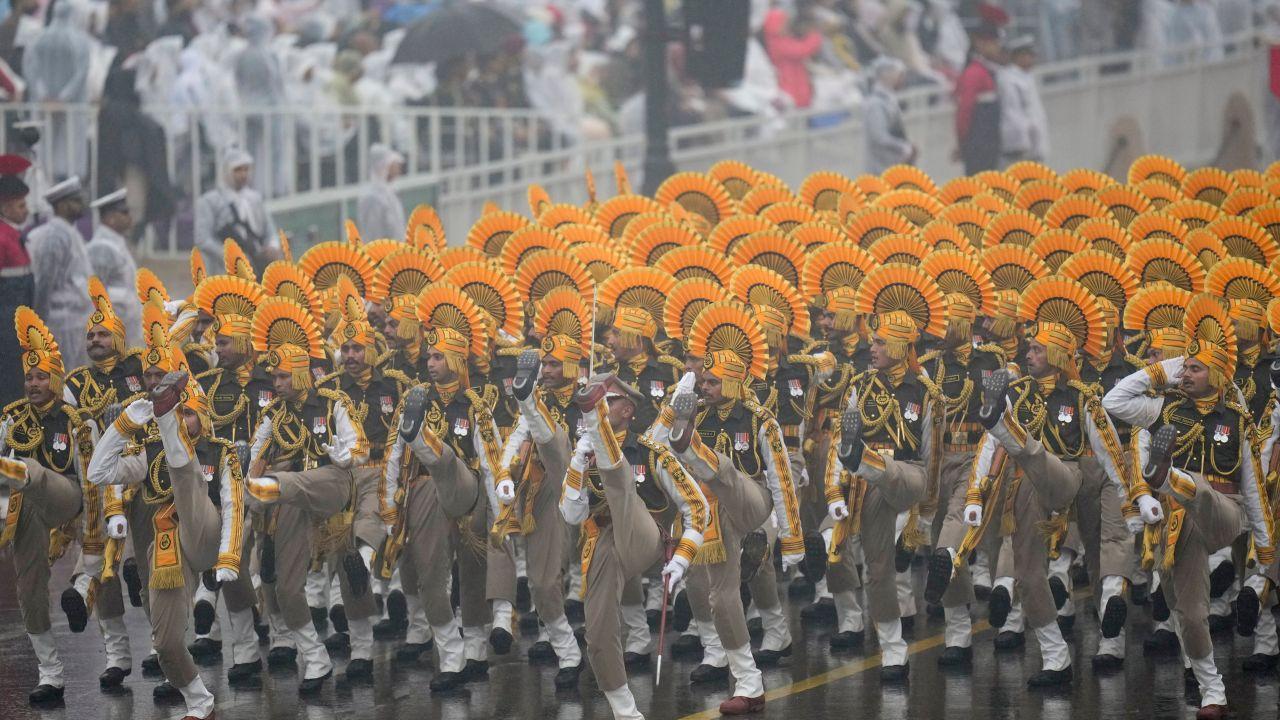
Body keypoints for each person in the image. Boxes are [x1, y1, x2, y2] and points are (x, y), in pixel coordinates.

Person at [1104, 295, 1272, 720]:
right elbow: (1114, 401)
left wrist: (1265, 548)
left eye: (1195, 368)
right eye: (1185, 368)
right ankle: (1212, 691)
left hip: (1224, 512)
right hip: (1179, 525)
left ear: (1215, 374)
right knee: (1190, 612)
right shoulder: (1166, 409)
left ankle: (1164, 476)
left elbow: (1252, 489)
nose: (1187, 374)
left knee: (1196, 487)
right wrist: (1165, 367)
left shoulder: (1236, 421)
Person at [561, 373, 707, 719]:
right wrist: (578, 464)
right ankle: (626, 712)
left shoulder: (650, 452)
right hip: (606, 540)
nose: (601, 406)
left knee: (621, 487)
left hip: (646, 535)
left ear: (627, 410)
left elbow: (696, 506)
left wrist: (683, 558)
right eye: (597, 403)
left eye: (606, 401)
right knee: (596, 635)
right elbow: (570, 515)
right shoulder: (581, 450)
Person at [243, 297, 367, 695]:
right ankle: (315, 660)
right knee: (284, 589)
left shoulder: (333, 404)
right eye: (272, 377)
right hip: (289, 500)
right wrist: (249, 491)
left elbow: (358, 451)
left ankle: (363, 648)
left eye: (281, 377)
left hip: (332, 485)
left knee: (297, 482)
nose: (275, 384)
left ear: (298, 375)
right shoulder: (270, 418)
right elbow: (255, 465)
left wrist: (332, 448)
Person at [2, 308, 89, 705]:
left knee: (31, 470)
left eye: (41, 377)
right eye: (29, 378)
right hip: (25, 509)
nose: (34, 384)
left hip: (66, 497)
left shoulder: (74, 420)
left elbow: (91, 480)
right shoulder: (11, 420)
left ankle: (21, 470)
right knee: (29, 590)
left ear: (55, 379)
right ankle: (50, 675)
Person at [26, 176, 93, 372]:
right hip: (61, 323)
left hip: (76, 322)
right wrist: (39, 325)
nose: (82, 205)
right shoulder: (55, 236)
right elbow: (45, 283)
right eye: (76, 201)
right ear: (62, 205)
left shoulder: (69, 233)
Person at [22, 1, 92, 180]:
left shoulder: (38, 38)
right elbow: (80, 73)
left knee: (43, 157)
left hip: (43, 106)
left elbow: (31, 70)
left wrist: (44, 95)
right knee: (67, 156)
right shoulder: (81, 41)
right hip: (71, 109)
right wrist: (63, 98)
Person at [194, 148, 278, 277]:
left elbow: (269, 230)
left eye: (246, 169)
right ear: (226, 171)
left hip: (256, 266)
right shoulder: (210, 201)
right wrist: (231, 257)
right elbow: (203, 239)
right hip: (222, 271)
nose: (243, 174)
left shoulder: (255, 199)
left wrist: (272, 246)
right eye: (238, 170)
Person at [85, 190, 142, 347]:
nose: (129, 216)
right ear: (110, 218)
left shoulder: (117, 242)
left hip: (124, 326)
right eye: (124, 212)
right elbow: (95, 293)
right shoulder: (102, 247)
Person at [953, 4, 1006, 174]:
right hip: (978, 145)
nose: (998, 47)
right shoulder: (974, 73)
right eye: (994, 42)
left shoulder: (988, 70)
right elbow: (964, 111)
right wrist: (962, 142)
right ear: (980, 43)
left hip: (990, 144)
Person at [0, 154, 34, 405]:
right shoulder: (3, 238)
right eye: (21, 206)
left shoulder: (13, 234)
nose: (27, 211)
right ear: (5, 208)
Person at [998, 36, 1050, 166]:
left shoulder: (1026, 77)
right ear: (1018, 57)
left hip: (1033, 145)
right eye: (1028, 55)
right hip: (1021, 147)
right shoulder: (1009, 80)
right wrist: (1024, 144)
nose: (1032, 59)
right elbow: (1013, 114)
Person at [762, 2, 824, 109]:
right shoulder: (777, 43)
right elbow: (802, 50)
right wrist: (815, 35)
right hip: (790, 89)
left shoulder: (785, 39)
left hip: (798, 87)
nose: (786, 24)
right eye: (782, 22)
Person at [863, 56, 916, 174]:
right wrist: (903, 147)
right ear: (886, 75)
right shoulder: (875, 104)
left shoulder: (889, 99)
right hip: (881, 170)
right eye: (898, 73)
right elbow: (879, 136)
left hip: (893, 167)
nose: (901, 78)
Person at [356, 144, 407, 242]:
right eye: (393, 164)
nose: (398, 169)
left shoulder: (389, 192)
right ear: (383, 166)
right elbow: (373, 234)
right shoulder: (372, 197)